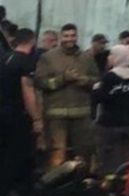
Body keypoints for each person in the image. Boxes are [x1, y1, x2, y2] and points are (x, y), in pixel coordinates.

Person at [35, 23, 97, 167]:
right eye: (66, 36)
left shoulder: (87, 57)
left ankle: (81, 180)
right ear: (60, 37)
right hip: (56, 114)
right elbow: (40, 82)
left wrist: (85, 80)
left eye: (73, 35)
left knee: (83, 153)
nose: (70, 39)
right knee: (57, 154)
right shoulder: (48, 57)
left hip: (81, 114)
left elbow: (97, 80)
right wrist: (62, 79)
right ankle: (54, 180)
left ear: (77, 37)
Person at [1, 29, 43, 196]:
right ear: (32, 42)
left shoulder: (4, 59)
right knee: (18, 156)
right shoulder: (26, 62)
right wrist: (37, 119)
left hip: (3, 114)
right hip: (17, 116)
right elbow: (28, 93)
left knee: (4, 155)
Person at [92, 45, 129, 175]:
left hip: (109, 125)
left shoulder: (109, 77)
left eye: (111, 54)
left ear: (117, 57)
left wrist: (96, 89)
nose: (108, 57)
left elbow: (100, 98)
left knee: (107, 160)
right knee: (127, 159)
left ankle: (109, 181)